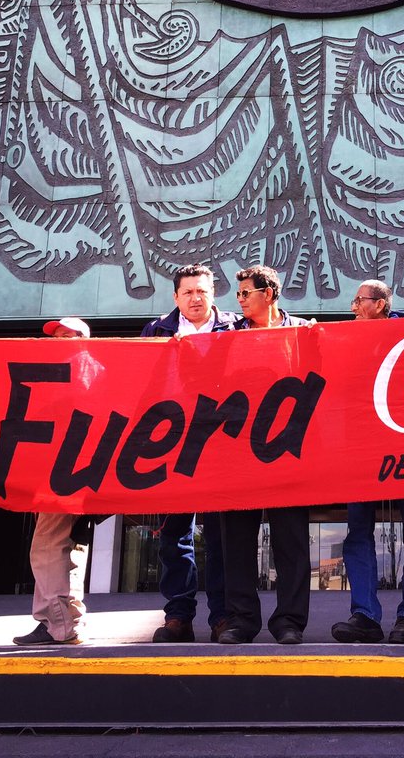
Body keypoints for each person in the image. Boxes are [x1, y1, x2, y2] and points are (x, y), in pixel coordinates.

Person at [218, 265, 312, 645]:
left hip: (288, 451)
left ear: (268, 294)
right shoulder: (225, 336)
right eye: (238, 294)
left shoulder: (304, 333)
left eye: (246, 293)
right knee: (237, 541)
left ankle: (289, 621)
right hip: (238, 453)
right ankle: (242, 620)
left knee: (291, 540)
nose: (239, 300)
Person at [141, 264, 235, 642]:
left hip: (222, 443)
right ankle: (178, 616)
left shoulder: (235, 328)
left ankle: (222, 617)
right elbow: (142, 385)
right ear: (176, 297)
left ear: (213, 294)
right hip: (172, 443)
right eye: (188, 292)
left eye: (202, 291)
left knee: (221, 536)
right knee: (175, 535)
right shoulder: (156, 331)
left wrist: (305, 326)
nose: (196, 298)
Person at [332, 280, 404, 644]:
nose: (354, 306)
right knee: (358, 531)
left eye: (360, 300)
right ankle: (365, 615)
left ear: (382, 304)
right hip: (361, 448)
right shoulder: (345, 338)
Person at [13, 317, 92, 647]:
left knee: (47, 546)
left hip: (66, 472)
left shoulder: (82, 371)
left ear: (83, 339)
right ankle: (67, 621)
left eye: (66, 336)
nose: (58, 340)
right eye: (55, 336)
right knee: (69, 547)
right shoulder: (79, 371)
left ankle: (56, 624)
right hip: (72, 471)